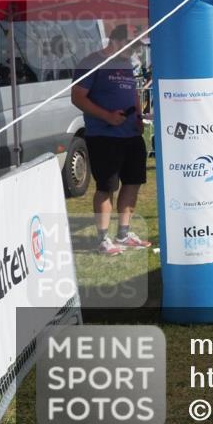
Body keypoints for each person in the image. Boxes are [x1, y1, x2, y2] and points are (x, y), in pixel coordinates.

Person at [71, 24, 152, 256]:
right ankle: (103, 238)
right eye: (132, 44)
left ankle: (123, 234)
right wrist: (107, 116)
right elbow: (77, 97)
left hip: (131, 134)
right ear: (116, 41)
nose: (135, 49)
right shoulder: (91, 62)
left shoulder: (125, 63)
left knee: (133, 182)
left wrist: (138, 116)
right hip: (104, 136)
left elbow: (133, 92)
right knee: (106, 187)